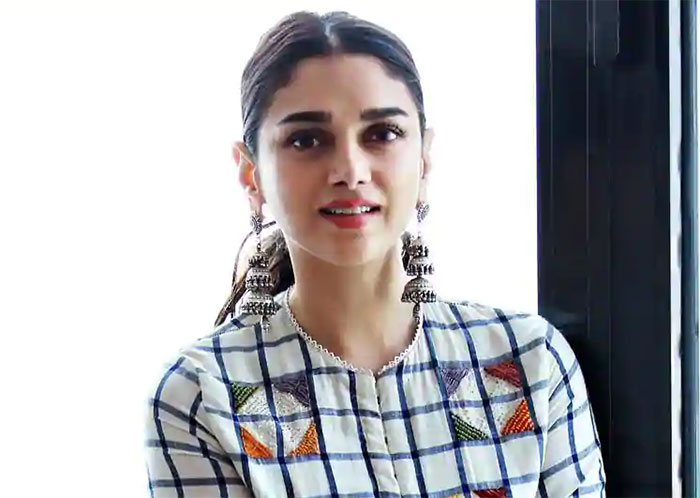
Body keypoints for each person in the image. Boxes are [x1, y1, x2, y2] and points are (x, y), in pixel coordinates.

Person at [143, 10, 606, 497]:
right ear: (250, 173)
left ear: (424, 159)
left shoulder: (530, 361)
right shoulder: (203, 394)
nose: (350, 169)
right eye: (307, 139)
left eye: (382, 134)